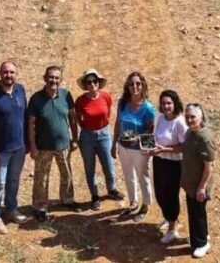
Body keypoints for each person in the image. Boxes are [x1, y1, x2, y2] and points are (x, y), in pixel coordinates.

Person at [0, 61, 31, 233]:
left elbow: (24, 117)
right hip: (0, 150)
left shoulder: (20, 90)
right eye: (5, 72)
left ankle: (10, 209)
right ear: (0, 73)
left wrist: (28, 143)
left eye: (11, 72)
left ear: (16, 73)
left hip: (19, 147)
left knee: (13, 181)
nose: (8, 75)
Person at [26, 65, 80, 222]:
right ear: (45, 78)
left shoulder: (65, 95)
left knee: (67, 174)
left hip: (64, 144)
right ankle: (40, 206)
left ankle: (67, 200)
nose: (53, 80)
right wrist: (33, 147)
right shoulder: (36, 99)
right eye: (50, 77)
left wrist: (75, 139)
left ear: (60, 80)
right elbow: (30, 124)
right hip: (43, 146)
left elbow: (73, 118)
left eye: (56, 77)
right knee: (41, 178)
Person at [75, 68, 125, 210]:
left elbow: (107, 114)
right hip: (87, 136)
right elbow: (78, 117)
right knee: (90, 168)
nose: (92, 84)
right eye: (89, 82)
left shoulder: (105, 96)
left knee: (108, 165)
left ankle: (112, 189)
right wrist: (85, 127)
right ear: (85, 85)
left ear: (98, 82)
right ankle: (95, 196)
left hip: (104, 134)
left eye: (94, 81)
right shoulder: (80, 100)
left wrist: (101, 126)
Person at [112, 71, 156, 222]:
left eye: (138, 83)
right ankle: (133, 202)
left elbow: (152, 129)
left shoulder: (148, 108)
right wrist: (114, 144)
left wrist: (148, 150)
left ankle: (145, 206)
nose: (135, 86)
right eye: (131, 84)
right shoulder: (123, 103)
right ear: (127, 86)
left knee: (143, 177)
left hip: (140, 149)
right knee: (128, 175)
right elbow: (118, 123)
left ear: (142, 85)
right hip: (123, 146)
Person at [146, 90, 188, 244]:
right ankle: (167, 216)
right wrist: (151, 149)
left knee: (171, 195)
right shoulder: (161, 118)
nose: (166, 106)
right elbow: (157, 137)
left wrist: (165, 150)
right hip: (159, 161)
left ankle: (172, 229)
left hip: (174, 164)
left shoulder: (180, 122)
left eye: (169, 103)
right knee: (160, 193)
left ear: (175, 103)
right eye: (163, 103)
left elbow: (185, 147)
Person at [181, 103, 216, 259]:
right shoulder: (190, 132)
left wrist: (202, 188)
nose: (189, 119)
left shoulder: (204, 138)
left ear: (201, 117)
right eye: (187, 116)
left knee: (197, 214)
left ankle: (201, 243)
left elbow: (209, 166)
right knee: (196, 212)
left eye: (193, 117)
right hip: (191, 182)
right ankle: (203, 235)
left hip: (199, 185)